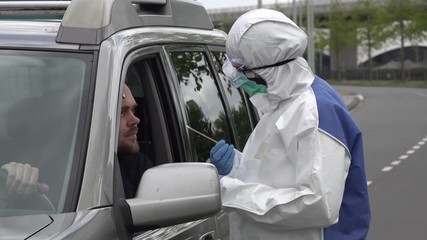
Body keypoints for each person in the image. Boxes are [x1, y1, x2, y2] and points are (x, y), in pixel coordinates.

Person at [209, 9, 371, 240]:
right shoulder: (283, 100)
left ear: (268, 69)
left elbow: (317, 203)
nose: (240, 79)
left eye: (244, 71)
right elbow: (278, 171)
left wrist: (230, 192)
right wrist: (236, 166)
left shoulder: (314, 111)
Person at [1, 84, 152, 199]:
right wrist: (10, 179)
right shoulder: (25, 161)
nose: (135, 120)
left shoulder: (137, 167)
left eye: (134, 110)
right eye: (121, 113)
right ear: (86, 120)